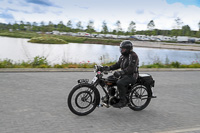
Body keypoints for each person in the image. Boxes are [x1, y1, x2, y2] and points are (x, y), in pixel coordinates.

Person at [102, 40, 139, 108]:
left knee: (120, 83)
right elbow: (117, 65)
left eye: (123, 49)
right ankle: (111, 95)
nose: (121, 50)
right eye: (121, 48)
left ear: (128, 49)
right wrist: (108, 68)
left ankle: (123, 101)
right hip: (124, 74)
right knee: (109, 79)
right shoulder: (122, 56)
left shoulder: (133, 56)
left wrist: (121, 72)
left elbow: (131, 68)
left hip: (132, 76)